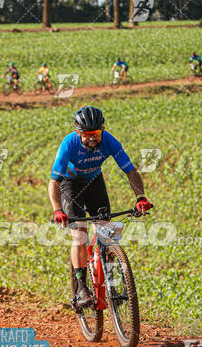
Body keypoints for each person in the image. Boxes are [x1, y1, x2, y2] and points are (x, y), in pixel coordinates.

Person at [48, 106, 151, 307]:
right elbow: (54, 182)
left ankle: (110, 284)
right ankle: (81, 288)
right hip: (70, 185)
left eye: (95, 134)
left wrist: (140, 197)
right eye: (87, 135)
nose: (92, 139)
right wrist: (57, 209)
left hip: (94, 181)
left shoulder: (110, 141)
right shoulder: (69, 144)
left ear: (102, 130)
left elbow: (130, 171)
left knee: (106, 232)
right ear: (78, 133)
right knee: (79, 234)